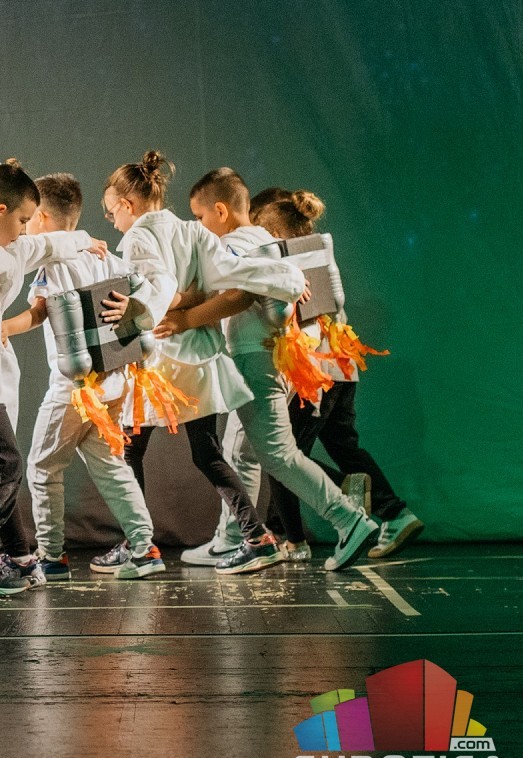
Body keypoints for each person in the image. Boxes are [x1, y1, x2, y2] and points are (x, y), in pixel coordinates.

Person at [161, 169, 379, 573]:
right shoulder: (266, 239)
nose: (198, 225)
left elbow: (236, 296)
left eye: (200, 216)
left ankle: (349, 519)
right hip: (277, 358)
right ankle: (233, 538)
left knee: (277, 454)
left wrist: (182, 320)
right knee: (244, 452)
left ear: (221, 211)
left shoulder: (229, 244)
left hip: (253, 358)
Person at [97, 151, 304, 575]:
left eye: (111, 211)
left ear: (128, 205)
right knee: (205, 452)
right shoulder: (192, 230)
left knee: (129, 449)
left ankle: (139, 545)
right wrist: (289, 278)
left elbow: (161, 285)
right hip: (200, 357)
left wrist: (140, 309)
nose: (112, 221)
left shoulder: (137, 238)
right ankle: (257, 536)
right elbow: (230, 272)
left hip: (163, 360)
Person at [0, 162, 105, 595]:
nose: (23, 231)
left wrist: (85, 240)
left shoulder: (7, 248)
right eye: (20, 220)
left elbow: (46, 244)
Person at [3, 173, 162, 580]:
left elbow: (39, 313)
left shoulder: (53, 263)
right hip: (115, 381)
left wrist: (1, 328)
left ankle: (51, 555)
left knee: (43, 467)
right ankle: (145, 548)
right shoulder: (106, 257)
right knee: (111, 465)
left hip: (75, 389)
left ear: (40, 216)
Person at [257, 190, 421, 559]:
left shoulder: (296, 258)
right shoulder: (319, 250)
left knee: (282, 455)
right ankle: (395, 513)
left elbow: (303, 321)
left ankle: (294, 536)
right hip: (342, 369)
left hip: (319, 375)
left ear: (274, 232)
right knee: (341, 446)